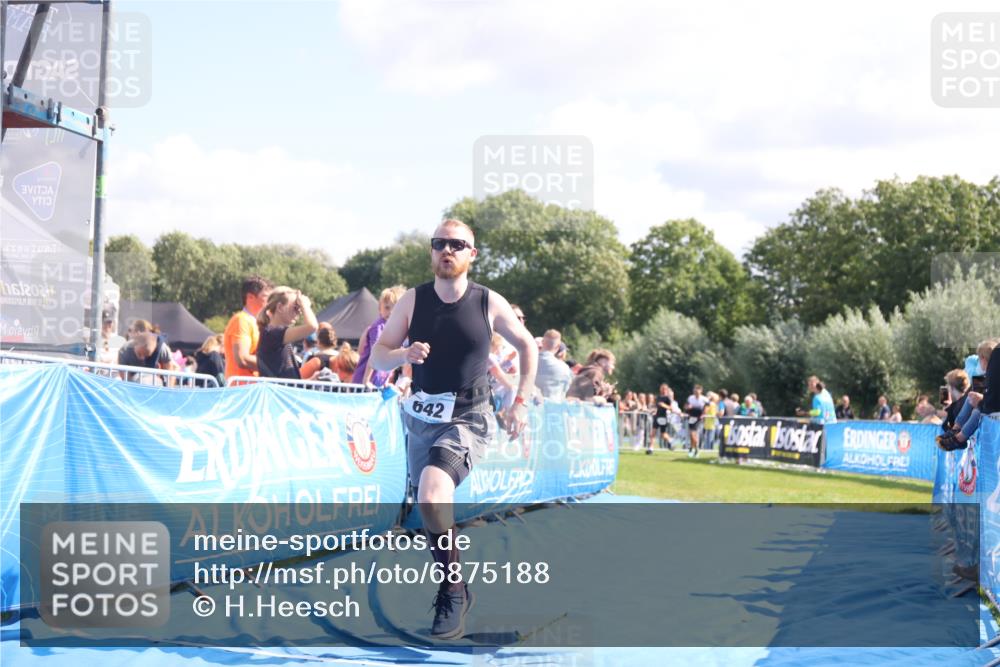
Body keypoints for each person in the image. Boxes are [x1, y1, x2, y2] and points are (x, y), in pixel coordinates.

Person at [370, 218, 537, 639]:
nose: (447, 250)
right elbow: (378, 358)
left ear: (471, 254)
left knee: (432, 491)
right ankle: (455, 581)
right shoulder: (412, 301)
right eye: (440, 243)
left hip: (469, 416)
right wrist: (403, 352)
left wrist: (520, 402)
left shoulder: (487, 301)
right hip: (422, 419)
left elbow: (527, 345)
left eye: (457, 245)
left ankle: (452, 591)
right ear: (431, 251)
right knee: (429, 507)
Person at [938, 339, 999, 450]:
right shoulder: (983, 378)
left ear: (984, 359)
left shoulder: (989, 377)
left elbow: (992, 399)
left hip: (990, 411)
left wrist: (981, 401)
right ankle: (956, 429)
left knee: (977, 412)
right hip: (987, 408)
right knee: (972, 397)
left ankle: (959, 438)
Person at [256, 287, 318, 379]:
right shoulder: (271, 334)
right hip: (276, 393)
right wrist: (305, 305)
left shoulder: (274, 333)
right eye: (296, 307)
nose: (299, 311)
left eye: (299, 307)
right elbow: (312, 327)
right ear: (280, 307)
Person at [352, 285, 407, 387]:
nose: (390, 312)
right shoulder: (378, 327)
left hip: (378, 382)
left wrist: (386, 380)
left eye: (395, 308)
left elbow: (393, 358)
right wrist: (366, 380)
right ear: (379, 308)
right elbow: (374, 354)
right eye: (387, 307)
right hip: (364, 382)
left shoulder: (398, 329)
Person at [223, 275, 274, 380]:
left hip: (254, 389)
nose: (270, 302)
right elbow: (242, 359)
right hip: (241, 391)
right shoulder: (241, 320)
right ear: (250, 297)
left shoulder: (260, 323)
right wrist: (274, 365)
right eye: (267, 297)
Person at [534, 329, 573, 399]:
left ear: (542, 342)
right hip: (552, 407)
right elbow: (567, 390)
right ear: (558, 347)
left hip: (528, 407)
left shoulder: (528, 362)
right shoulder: (565, 368)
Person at [684, 384, 708, 457]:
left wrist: (703, 414)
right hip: (691, 417)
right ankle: (692, 448)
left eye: (697, 391)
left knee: (694, 434)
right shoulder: (690, 398)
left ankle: (696, 450)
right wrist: (688, 407)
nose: (696, 392)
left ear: (701, 391)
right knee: (692, 435)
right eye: (695, 391)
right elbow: (686, 406)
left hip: (698, 418)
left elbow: (707, 407)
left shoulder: (704, 399)